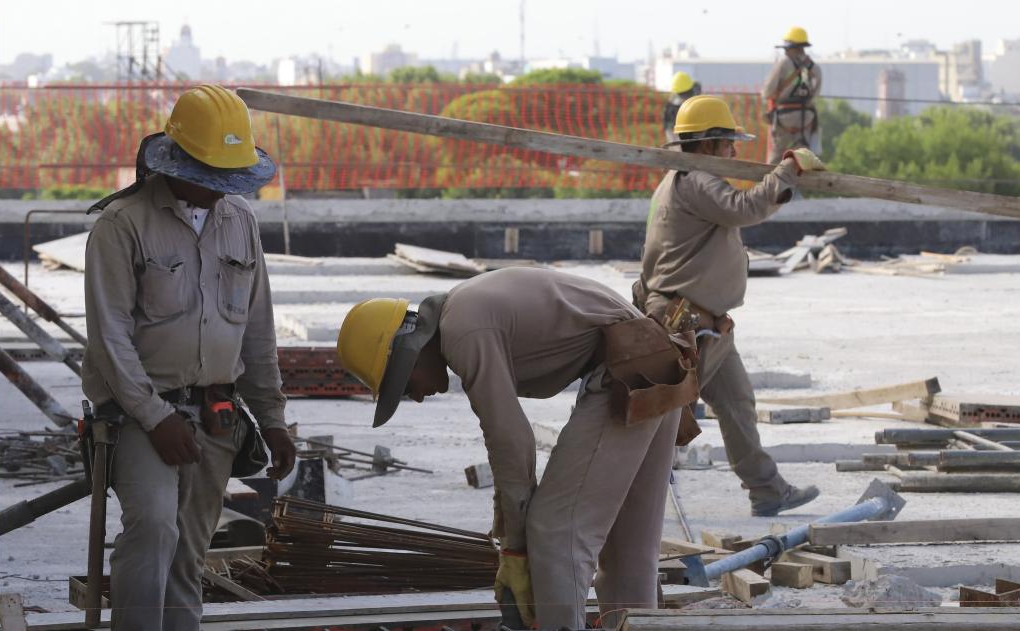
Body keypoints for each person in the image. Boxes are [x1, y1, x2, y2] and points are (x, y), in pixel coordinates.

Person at [336, 267, 703, 630]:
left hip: (631, 368)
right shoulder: (464, 311)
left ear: (409, 352)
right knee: (628, 551)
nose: (413, 397)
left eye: (402, 386)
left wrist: (515, 547)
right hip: (656, 360)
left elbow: (511, 441)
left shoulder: (462, 332)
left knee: (557, 530)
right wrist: (508, 532)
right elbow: (506, 451)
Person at [82, 84, 298, 631]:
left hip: (216, 417)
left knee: (188, 557)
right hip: (141, 414)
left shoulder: (240, 221)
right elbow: (110, 338)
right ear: (175, 160)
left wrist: (272, 421)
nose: (221, 190)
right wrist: (155, 419)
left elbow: (256, 331)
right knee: (153, 530)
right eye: (211, 176)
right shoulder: (122, 225)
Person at [638, 95, 825, 518]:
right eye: (728, 144)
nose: (734, 153)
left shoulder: (678, 180)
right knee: (664, 416)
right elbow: (746, 208)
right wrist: (787, 171)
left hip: (702, 321)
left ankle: (767, 489)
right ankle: (630, 494)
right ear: (707, 145)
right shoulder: (697, 180)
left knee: (737, 404)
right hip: (687, 321)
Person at [762, 26, 822, 163]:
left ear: (789, 47)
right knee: (802, 160)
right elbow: (816, 92)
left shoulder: (784, 63)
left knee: (776, 158)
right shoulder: (814, 67)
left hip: (785, 117)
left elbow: (767, 92)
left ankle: (770, 183)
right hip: (807, 118)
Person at [663, 71, 703, 143]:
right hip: (676, 130)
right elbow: (669, 128)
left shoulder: (696, 90)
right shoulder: (671, 108)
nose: (683, 98)